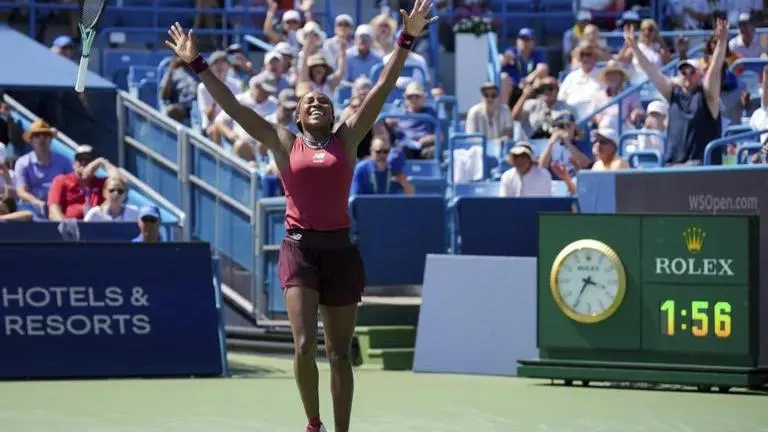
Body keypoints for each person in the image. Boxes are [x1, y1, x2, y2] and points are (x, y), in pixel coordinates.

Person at [164, 2, 437, 430]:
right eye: (308, 101)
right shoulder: (281, 140)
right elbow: (233, 107)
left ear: (334, 113)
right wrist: (196, 62)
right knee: (305, 344)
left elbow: (383, 86)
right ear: (296, 114)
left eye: (323, 100)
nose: (316, 102)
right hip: (300, 250)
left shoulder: (348, 137)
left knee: (340, 354)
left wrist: (406, 38)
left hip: (340, 251)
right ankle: (314, 423)